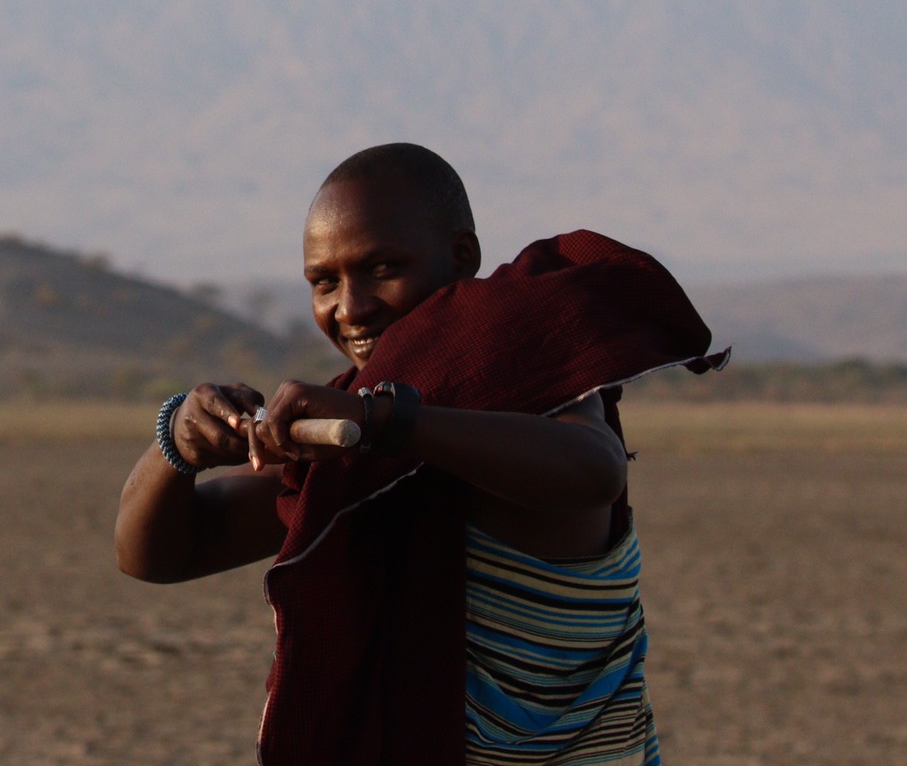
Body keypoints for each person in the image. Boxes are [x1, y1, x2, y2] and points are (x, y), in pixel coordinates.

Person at [115, 143, 721, 766]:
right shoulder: (362, 435)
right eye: (324, 282)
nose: (348, 308)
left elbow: (594, 470)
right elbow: (160, 553)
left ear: (463, 258)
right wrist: (178, 442)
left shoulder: (524, 379)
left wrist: (388, 422)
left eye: (381, 268)